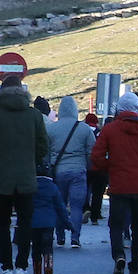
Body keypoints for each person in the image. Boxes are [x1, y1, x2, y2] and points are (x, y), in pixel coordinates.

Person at [0, 75, 49, 274]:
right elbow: (43, 145)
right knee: (25, 221)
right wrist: (30, 161)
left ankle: (6, 266)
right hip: (26, 176)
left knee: (2, 222)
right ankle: (21, 265)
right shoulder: (34, 115)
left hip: (2, 177)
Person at [90, 91, 138, 274]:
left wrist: (111, 167)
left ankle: (119, 255)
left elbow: (96, 157)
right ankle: (135, 269)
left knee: (116, 225)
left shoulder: (110, 130)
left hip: (118, 185)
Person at [45, 96, 94, 248]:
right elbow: (91, 151)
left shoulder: (51, 128)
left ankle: (60, 236)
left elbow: (45, 152)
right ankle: (75, 238)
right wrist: (87, 166)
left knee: (59, 204)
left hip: (58, 172)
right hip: (78, 171)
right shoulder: (84, 129)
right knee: (76, 207)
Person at [30, 161, 71, 274]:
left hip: (34, 222)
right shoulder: (52, 187)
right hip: (49, 222)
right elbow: (60, 207)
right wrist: (67, 223)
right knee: (48, 246)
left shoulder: (31, 186)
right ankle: (48, 267)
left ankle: (37, 272)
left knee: (36, 247)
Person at [83, 112, 107, 223]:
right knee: (98, 192)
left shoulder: (83, 131)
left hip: (86, 166)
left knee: (84, 189)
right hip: (100, 166)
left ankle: (85, 208)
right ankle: (95, 215)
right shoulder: (101, 133)